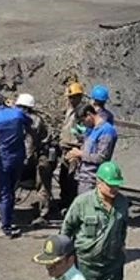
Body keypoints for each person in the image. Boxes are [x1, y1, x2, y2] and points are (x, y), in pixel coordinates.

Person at [0, 92, 30, 238]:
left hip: (3, 161)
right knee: (12, 190)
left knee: (4, 193)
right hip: (19, 159)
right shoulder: (17, 114)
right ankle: (9, 216)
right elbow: (29, 121)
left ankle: (6, 226)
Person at [16, 93, 55, 223]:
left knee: (42, 183)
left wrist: (26, 159)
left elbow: (30, 143)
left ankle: (43, 214)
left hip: (35, 156)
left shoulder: (31, 120)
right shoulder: (36, 119)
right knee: (42, 185)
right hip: (32, 155)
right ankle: (43, 213)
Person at [71, 105, 117, 194]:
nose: (83, 124)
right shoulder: (91, 130)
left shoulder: (106, 131)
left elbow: (101, 158)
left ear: (89, 114)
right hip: (84, 177)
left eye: (83, 121)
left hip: (93, 179)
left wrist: (80, 154)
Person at [55, 83, 86, 213]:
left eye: (73, 97)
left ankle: (71, 205)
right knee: (63, 177)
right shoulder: (70, 110)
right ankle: (64, 201)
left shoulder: (82, 112)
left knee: (72, 178)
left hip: (74, 148)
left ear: (79, 97)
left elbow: (84, 132)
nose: (70, 99)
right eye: (70, 97)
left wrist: (80, 148)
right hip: (65, 147)